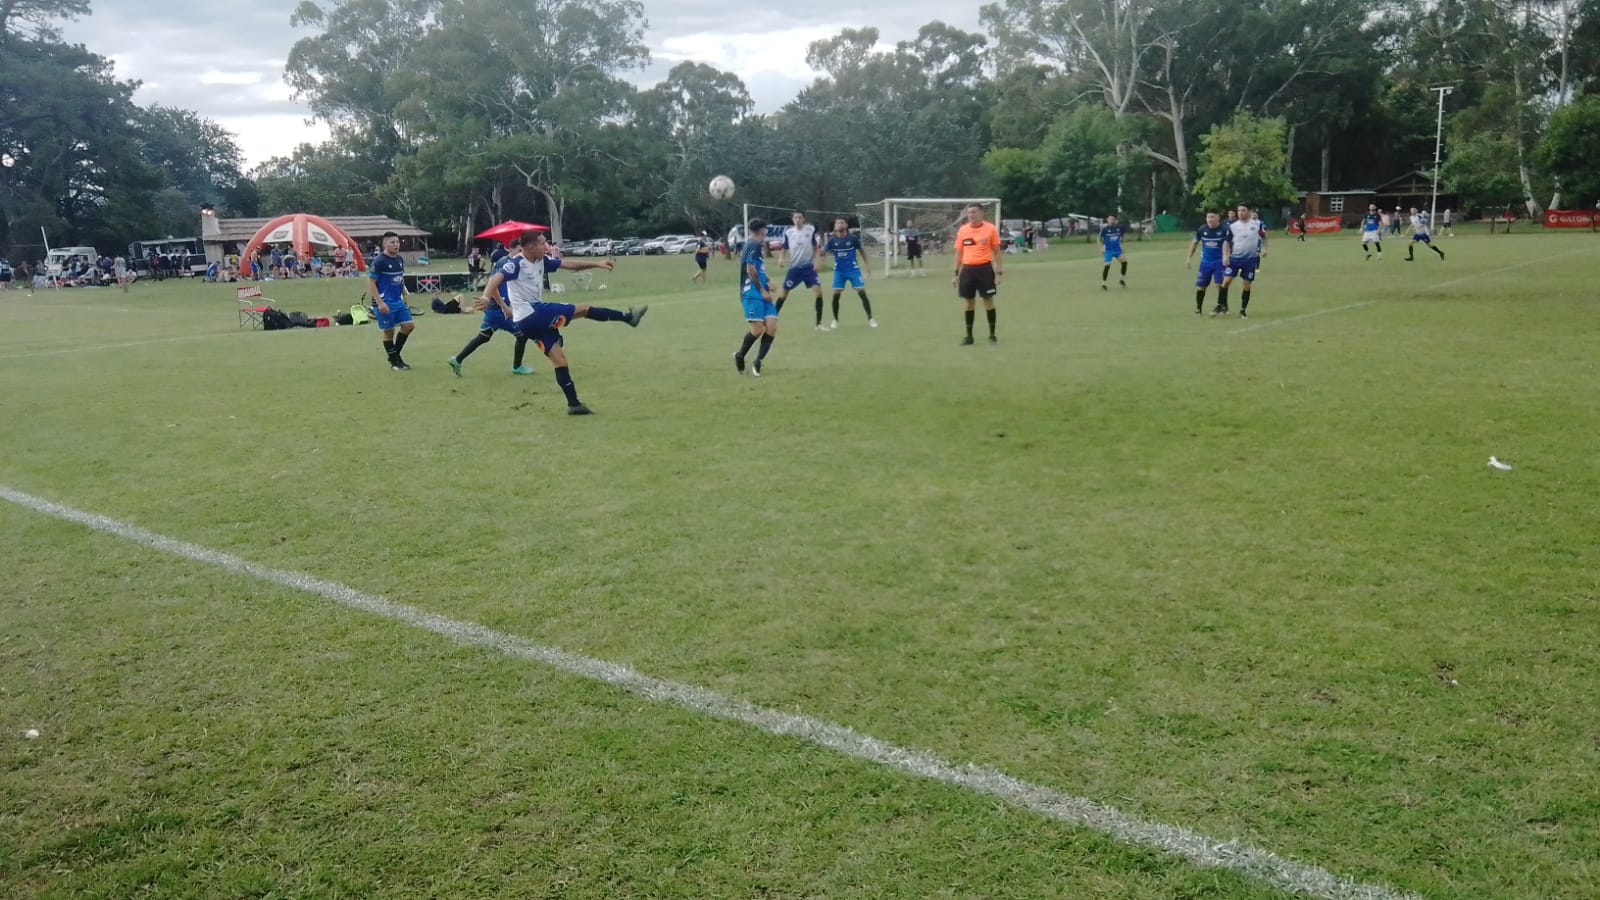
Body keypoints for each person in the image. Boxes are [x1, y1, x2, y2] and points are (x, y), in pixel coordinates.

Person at [480, 229, 646, 415]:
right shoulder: (517, 263)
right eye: (543, 243)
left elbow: (569, 264)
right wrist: (486, 298)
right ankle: (628, 318)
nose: (547, 246)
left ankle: (574, 405)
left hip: (529, 323)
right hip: (532, 314)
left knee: (559, 360)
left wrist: (597, 264)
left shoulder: (541, 260)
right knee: (584, 309)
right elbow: (495, 279)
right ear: (531, 247)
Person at [449, 268, 536, 377]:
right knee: (522, 335)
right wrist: (503, 306)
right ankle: (517, 367)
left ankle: (457, 359)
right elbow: (493, 286)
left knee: (483, 336)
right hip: (498, 311)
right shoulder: (503, 265)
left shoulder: (509, 265)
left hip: (493, 310)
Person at [733, 218, 779, 377]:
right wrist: (762, 290)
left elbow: (758, 270)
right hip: (752, 293)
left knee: (771, 327)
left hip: (762, 291)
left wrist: (768, 281)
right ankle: (740, 355)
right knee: (758, 329)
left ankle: (758, 361)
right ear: (762, 230)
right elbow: (750, 270)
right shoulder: (753, 244)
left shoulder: (754, 245)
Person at [953, 203, 1003, 344]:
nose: (971, 215)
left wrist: (999, 273)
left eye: (974, 212)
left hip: (985, 269)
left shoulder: (990, 229)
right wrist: (955, 273)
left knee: (988, 301)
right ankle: (969, 337)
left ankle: (992, 335)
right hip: (967, 270)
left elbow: (997, 252)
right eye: (969, 212)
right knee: (969, 303)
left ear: (982, 213)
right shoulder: (963, 230)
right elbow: (959, 253)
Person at [369, 231, 416, 370]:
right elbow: (371, 283)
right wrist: (379, 302)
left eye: (397, 242)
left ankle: (394, 356)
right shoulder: (379, 261)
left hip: (397, 300)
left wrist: (404, 295)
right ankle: (396, 362)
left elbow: (400, 279)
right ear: (385, 244)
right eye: (392, 242)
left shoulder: (399, 260)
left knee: (409, 326)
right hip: (385, 302)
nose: (396, 245)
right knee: (389, 332)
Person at [821, 217, 876, 329]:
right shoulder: (832, 241)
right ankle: (835, 320)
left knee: (862, 292)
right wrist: (820, 259)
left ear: (846, 225)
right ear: (835, 226)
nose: (839, 225)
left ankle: (870, 319)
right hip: (839, 272)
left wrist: (867, 266)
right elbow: (823, 253)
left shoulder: (853, 239)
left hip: (853, 270)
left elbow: (862, 252)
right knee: (836, 294)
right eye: (837, 223)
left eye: (842, 223)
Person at [774, 211, 825, 331]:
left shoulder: (810, 230)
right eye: (795, 217)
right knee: (783, 295)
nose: (798, 219)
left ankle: (818, 324)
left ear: (804, 219)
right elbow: (784, 247)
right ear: (792, 219)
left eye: (800, 217)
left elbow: (816, 247)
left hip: (809, 268)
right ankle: (771, 319)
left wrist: (818, 261)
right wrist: (781, 259)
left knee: (818, 293)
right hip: (794, 269)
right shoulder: (789, 232)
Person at [1216, 203, 1266, 318]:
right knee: (1226, 282)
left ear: (1249, 212)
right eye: (1239, 210)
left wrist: (1264, 248)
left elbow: (1263, 237)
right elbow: (1226, 241)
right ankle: (1221, 305)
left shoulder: (1257, 224)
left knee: (1246, 285)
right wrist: (1225, 255)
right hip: (1234, 258)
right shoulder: (1233, 226)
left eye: (1243, 210)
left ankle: (1243, 310)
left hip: (1250, 260)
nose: (1240, 213)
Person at [1186, 211, 1231, 315]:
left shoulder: (1224, 230)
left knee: (1220, 285)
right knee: (1201, 286)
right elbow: (1194, 243)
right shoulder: (1202, 229)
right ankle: (1198, 308)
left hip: (1220, 262)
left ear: (1218, 218)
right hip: (1205, 263)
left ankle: (1223, 306)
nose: (1210, 219)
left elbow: (1229, 244)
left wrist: (1227, 256)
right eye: (1208, 217)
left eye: (1212, 217)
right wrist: (1189, 258)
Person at [1098, 214, 1127, 290]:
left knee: (1124, 262)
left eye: (1113, 219)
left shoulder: (1119, 228)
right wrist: (1101, 248)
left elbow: (1121, 238)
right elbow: (1098, 239)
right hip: (1108, 251)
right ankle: (1103, 283)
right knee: (1107, 266)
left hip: (1117, 250)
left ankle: (1122, 279)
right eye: (1110, 219)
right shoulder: (1104, 229)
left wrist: (1122, 245)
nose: (1111, 220)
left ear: (1115, 220)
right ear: (1107, 220)